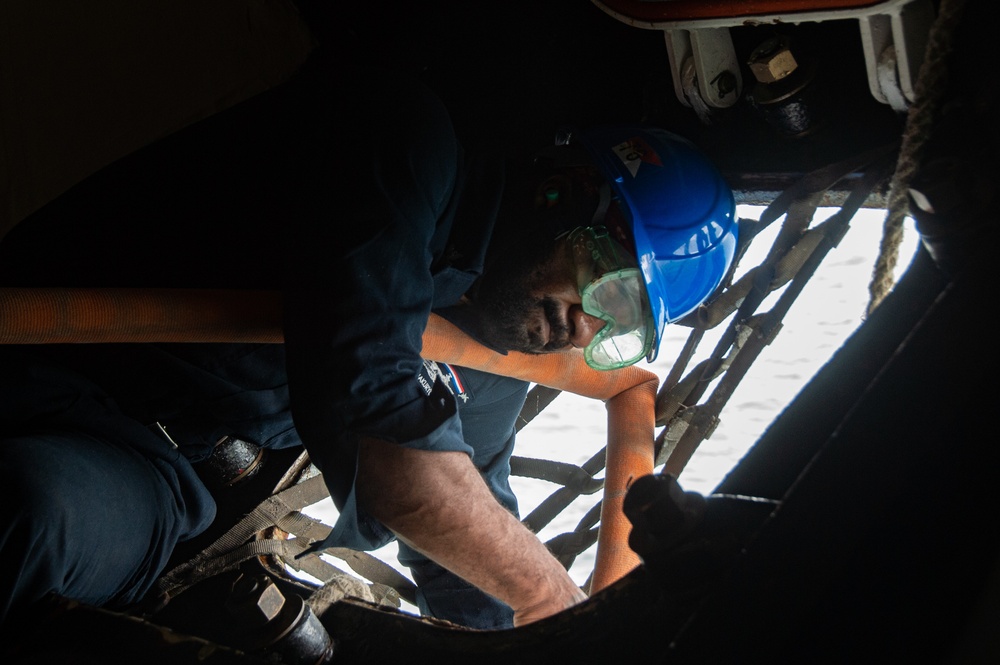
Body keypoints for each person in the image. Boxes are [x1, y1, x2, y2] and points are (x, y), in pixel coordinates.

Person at [0, 63, 736, 633]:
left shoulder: (496, 362)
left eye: (621, 328)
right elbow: (375, 415)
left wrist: (521, 641)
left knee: (39, 512)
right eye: (611, 289)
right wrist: (553, 597)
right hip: (46, 359)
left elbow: (470, 537)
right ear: (570, 193)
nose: (588, 329)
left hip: (151, 470)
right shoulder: (404, 141)